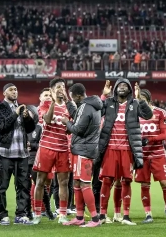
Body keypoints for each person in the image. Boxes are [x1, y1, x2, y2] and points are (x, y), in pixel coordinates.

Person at [96, 79, 153, 225]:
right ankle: (102, 215)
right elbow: (97, 112)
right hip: (110, 149)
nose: (122, 87)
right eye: (119, 85)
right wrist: (103, 96)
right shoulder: (109, 102)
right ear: (115, 89)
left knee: (126, 181)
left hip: (127, 149)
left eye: (125, 86)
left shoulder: (135, 103)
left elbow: (148, 115)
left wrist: (140, 99)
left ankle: (126, 216)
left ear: (129, 90)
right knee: (107, 180)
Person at [0, 83, 38, 226]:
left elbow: (30, 129)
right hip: (6, 153)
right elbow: (1, 127)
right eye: (11, 90)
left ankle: (21, 215)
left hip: (22, 153)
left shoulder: (23, 108)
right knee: (2, 186)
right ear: (4, 93)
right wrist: (15, 114)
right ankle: (2, 215)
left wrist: (27, 118)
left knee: (23, 186)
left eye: (16, 89)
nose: (14, 92)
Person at [59, 83, 103, 227]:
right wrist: (67, 101)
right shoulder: (91, 106)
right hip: (85, 148)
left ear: (78, 96)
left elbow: (78, 129)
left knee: (84, 183)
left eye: (72, 97)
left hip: (83, 150)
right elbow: (78, 116)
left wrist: (67, 122)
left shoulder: (86, 107)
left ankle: (95, 219)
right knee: (77, 183)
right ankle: (79, 217)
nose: (72, 99)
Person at [33, 78, 72, 224]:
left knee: (63, 182)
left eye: (63, 86)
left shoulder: (69, 106)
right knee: (40, 181)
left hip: (63, 148)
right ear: (52, 90)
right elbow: (48, 120)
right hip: (46, 147)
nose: (61, 89)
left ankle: (62, 214)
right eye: (58, 87)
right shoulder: (45, 104)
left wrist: (69, 124)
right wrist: (54, 102)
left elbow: (71, 129)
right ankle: (37, 214)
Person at [135, 89, 166, 224]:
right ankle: (148, 215)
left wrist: (149, 139)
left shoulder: (160, 112)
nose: (140, 102)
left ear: (148, 99)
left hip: (158, 154)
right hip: (142, 155)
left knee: (165, 183)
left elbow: (164, 135)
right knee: (144, 184)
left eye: (141, 99)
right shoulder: (135, 112)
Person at [28, 89, 54, 220]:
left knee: (48, 180)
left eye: (50, 95)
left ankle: (44, 209)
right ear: (40, 97)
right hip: (38, 151)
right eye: (45, 95)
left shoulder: (56, 109)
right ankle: (36, 208)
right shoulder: (36, 112)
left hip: (52, 149)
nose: (48, 97)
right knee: (37, 180)